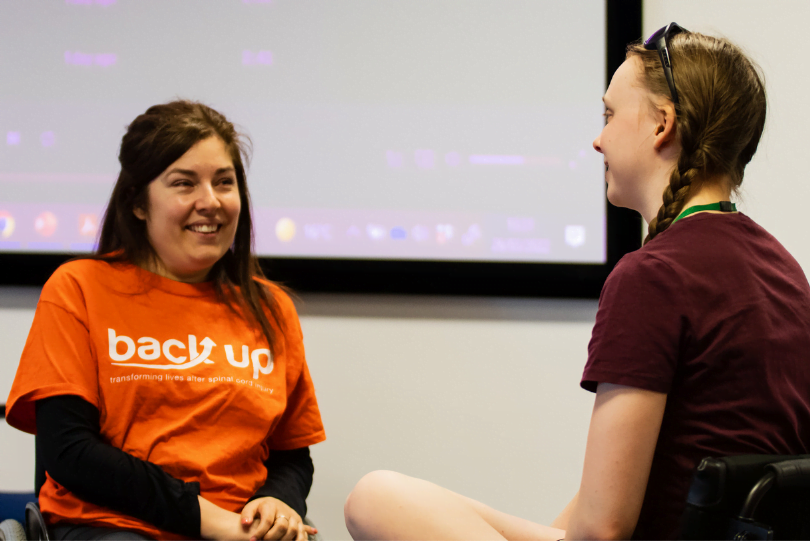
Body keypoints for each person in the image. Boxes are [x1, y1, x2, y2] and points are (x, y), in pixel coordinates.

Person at [342, 24, 810, 540]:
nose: (597, 139)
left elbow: (602, 530)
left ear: (662, 125)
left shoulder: (653, 276)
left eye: (609, 115)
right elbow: (612, 496)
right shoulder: (785, 271)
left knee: (376, 498)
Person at [5, 100, 326, 541]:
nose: (210, 202)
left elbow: (291, 456)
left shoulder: (271, 308)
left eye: (224, 182)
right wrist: (211, 523)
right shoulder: (78, 288)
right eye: (184, 183)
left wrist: (278, 503)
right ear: (137, 203)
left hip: (242, 530)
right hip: (113, 526)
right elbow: (70, 453)